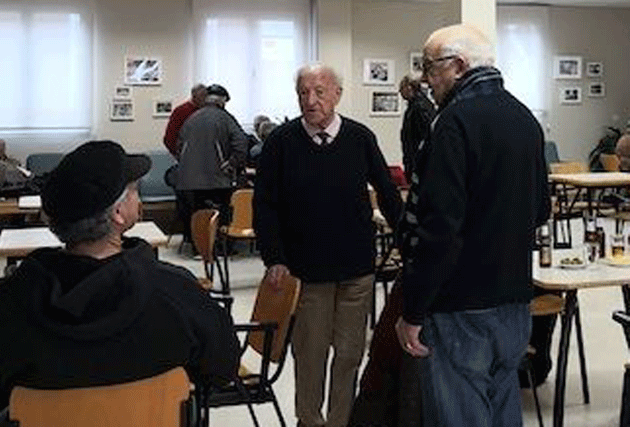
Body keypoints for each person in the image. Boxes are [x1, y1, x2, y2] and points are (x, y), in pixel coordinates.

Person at [0, 140, 240, 419]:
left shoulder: (6, 303)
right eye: (134, 191)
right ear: (118, 212)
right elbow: (224, 367)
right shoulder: (174, 292)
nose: (138, 198)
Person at [394, 24, 551, 426]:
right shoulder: (524, 119)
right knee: (502, 410)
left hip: (461, 308)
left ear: (459, 66)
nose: (427, 80)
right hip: (515, 304)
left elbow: (438, 231)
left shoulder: (453, 124)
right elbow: (540, 210)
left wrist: (412, 310)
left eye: (431, 68)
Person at [254, 63, 403, 427]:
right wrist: (274, 257)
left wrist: (407, 239)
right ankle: (309, 419)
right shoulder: (281, 143)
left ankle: (341, 420)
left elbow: (386, 191)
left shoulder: (359, 138)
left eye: (320, 91)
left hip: (356, 268)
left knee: (350, 353)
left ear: (337, 94)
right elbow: (265, 205)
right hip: (308, 271)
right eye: (304, 92)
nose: (311, 100)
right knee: (310, 353)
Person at [175, 84, 247, 250]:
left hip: (188, 180)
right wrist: (232, 164)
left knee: (198, 214)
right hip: (217, 178)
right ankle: (223, 247)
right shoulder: (225, 118)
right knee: (223, 213)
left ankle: (199, 247)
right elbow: (241, 143)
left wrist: (187, 164)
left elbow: (179, 146)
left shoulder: (191, 118)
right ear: (222, 101)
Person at [398, 75, 436, 180]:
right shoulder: (416, 105)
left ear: (409, 87)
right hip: (416, 159)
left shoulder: (419, 107)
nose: (400, 92)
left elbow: (425, 136)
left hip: (418, 161)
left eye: (401, 88)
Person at [163, 84, 208, 158]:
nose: (204, 100)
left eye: (205, 96)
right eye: (202, 96)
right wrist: (179, 155)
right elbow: (169, 138)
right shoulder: (181, 111)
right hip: (186, 155)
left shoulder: (206, 112)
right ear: (194, 96)